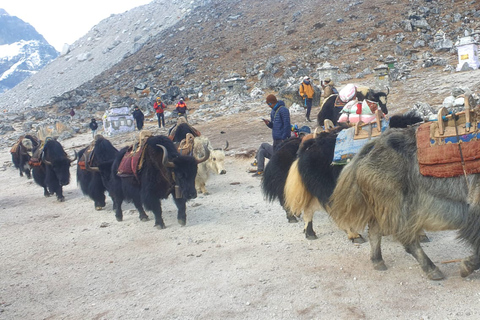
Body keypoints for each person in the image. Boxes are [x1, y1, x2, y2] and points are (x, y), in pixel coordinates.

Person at [251, 94, 291, 177]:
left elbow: (287, 125)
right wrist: (268, 124)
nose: (269, 106)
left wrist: (285, 138)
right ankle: (260, 171)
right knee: (261, 151)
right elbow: (273, 126)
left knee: (263, 145)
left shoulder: (283, 110)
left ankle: (256, 161)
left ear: (273, 102)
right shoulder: (273, 111)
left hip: (282, 141)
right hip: (276, 141)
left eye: (269, 104)